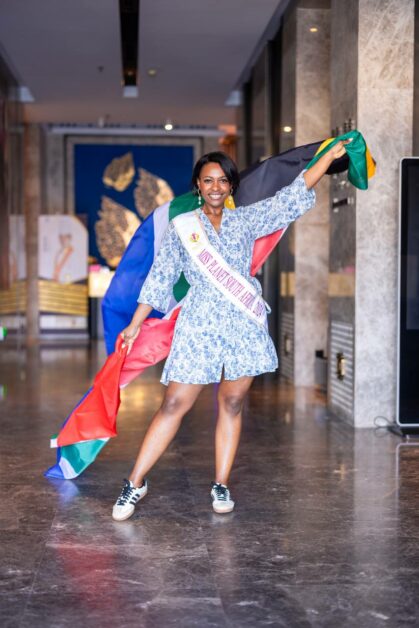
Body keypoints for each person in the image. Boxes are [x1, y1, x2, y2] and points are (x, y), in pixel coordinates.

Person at [112, 142, 349, 521]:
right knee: (174, 404)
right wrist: (136, 322)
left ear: (232, 185)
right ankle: (135, 482)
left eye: (223, 180)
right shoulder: (182, 228)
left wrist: (327, 159)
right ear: (198, 185)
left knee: (232, 403)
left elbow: (292, 197)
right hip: (199, 323)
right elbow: (160, 277)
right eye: (209, 180)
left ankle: (221, 482)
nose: (216, 187)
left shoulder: (246, 221)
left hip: (242, 322)